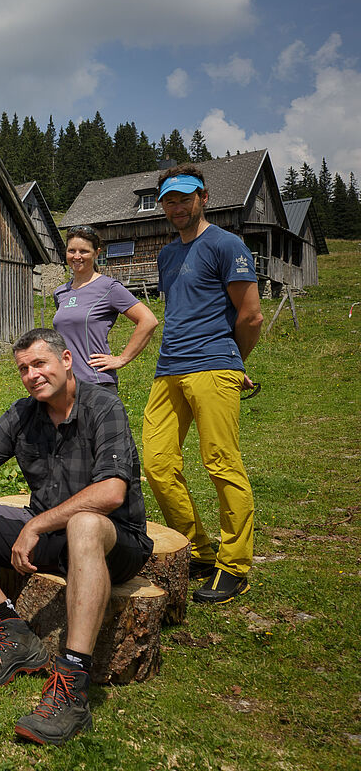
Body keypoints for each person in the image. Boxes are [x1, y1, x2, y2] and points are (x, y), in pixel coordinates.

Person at [0, 328, 153, 746]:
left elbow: (111, 493)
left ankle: (72, 686)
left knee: (84, 523)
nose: (33, 375)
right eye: (24, 368)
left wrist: (36, 525)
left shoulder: (103, 406)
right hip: (50, 531)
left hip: (113, 541)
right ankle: (13, 633)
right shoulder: (23, 414)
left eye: (40, 363)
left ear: (67, 360)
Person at [143, 164, 263, 605]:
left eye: (185, 198)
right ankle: (198, 549)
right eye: (169, 200)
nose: (177, 206)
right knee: (157, 463)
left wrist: (233, 363)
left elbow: (250, 315)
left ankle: (235, 567)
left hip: (213, 365)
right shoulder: (167, 254)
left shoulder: (226, 244)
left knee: (221, 463)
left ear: (203, 197)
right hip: (168, 369)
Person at [52, 225, 157, 389]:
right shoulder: (60, 293)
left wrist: (122, 359)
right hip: (65, 384)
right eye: (72, 250)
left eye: (84, 251)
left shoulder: (109, 287)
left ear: (97, 253)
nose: (77, 256)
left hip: (96, 383)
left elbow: (149, 320)